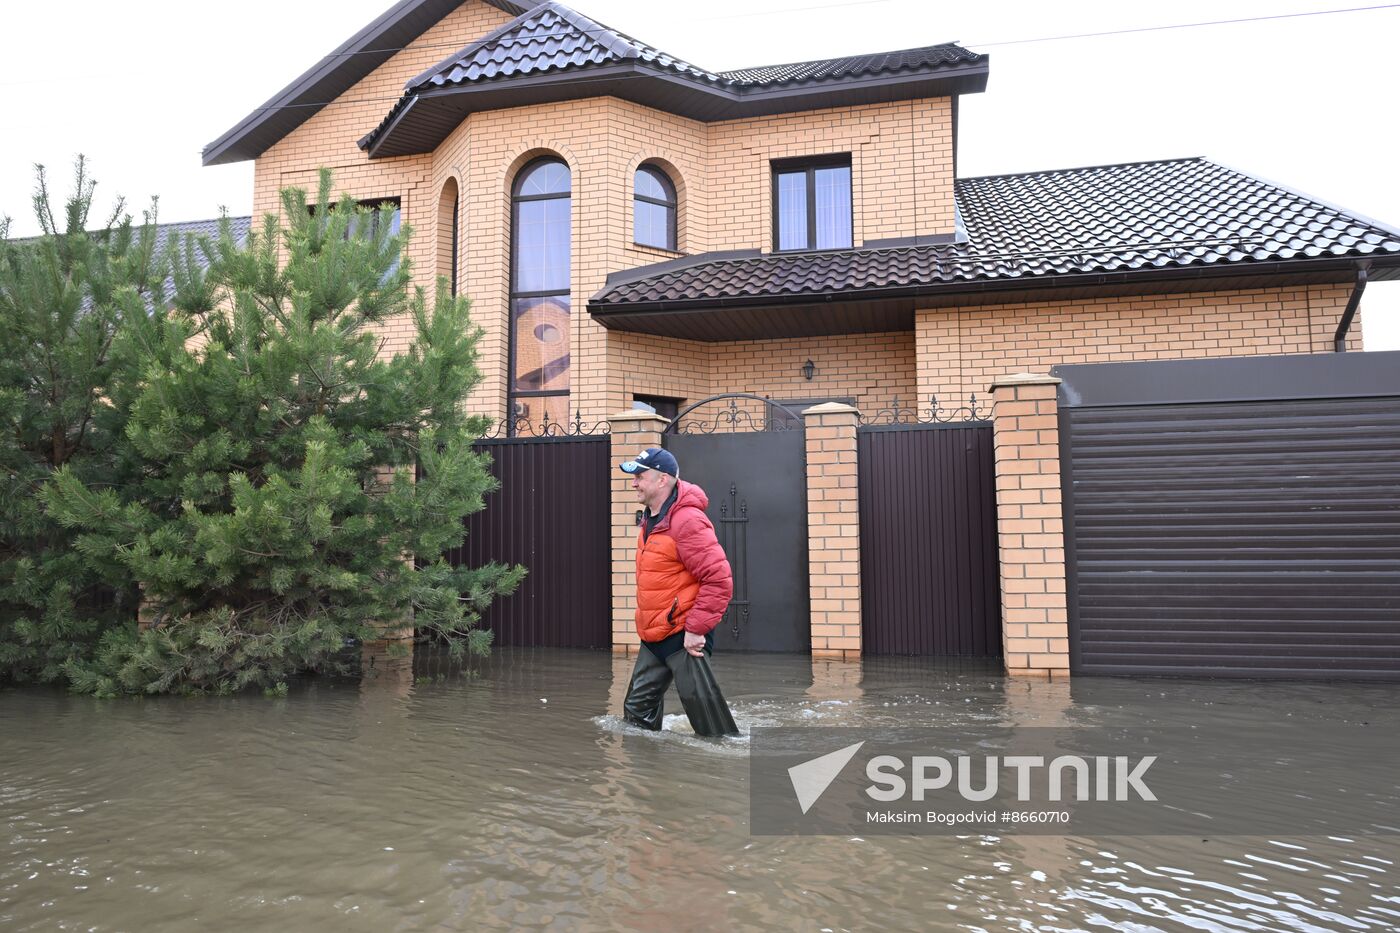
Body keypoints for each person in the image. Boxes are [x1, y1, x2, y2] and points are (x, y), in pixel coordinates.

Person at [619, 447, 739, 737]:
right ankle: (645, 777)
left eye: (640, 476)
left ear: (662, 480)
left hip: (684, 635)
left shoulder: (687, 521)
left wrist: (697, 629)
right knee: (637, 714)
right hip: (654, 634)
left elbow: (719, 580)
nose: (634, 482)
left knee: (710, 728)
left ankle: (719, 773)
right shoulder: (651, 518)